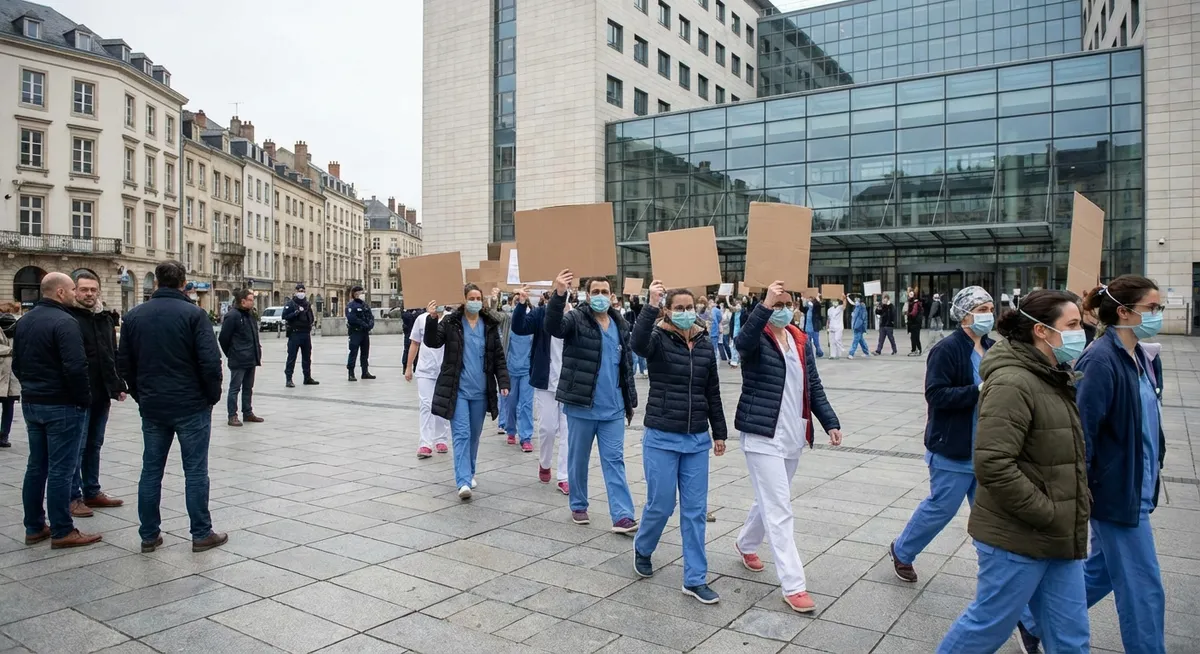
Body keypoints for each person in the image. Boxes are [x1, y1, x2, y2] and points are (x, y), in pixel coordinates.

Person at [1019, 275, 1167, 654]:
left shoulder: (1144, 357)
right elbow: (1081, 433)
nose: (1158, 314)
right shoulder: (1101, 359)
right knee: (1144, 589)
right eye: (1152, 308)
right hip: (1116, 494)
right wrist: (1079, 492)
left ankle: (1033, 621)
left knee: (1102, 571)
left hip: (1137, 485)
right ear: (1124, 311)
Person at [936, 290, 1090, 653]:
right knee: (988, 627)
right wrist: (1048, 512)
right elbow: (993, 463)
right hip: (1019, 535)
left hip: (1059, 533)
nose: (1080, 333)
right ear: (1041, 330)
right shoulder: (1013, 381)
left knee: (1072, 636)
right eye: (1071, 325)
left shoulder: (1054, 375)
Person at [733, 281, 843, 613]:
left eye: (786, 304)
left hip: (793, 433)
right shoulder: (757, 337)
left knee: (768, 499)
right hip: (761, 435)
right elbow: (742, 342)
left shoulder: (799, 339)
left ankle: (746, 543)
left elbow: (813, 385)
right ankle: (794, 585)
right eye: (776, 304)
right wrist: (765, 303)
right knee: (780, 508)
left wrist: (830, 421)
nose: (782, 310)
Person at [118, 260, 227, 554]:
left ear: (156, 282)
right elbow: (210, 362)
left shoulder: (134, 316)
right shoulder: (194, 314)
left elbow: (124, 363)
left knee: (151, 471)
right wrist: (211, 396)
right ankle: (201, 533)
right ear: (183, 283)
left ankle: (149, 535)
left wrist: (141, 395)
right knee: (195, 471)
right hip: (191, 404)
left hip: (154, 405)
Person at [630, 281, 727, 604]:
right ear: (668, 311)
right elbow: (637, 344)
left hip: (696, 439)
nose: (686, 313)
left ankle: (695, 579)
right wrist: (650, 305)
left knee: (695, 511)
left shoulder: (704, 344)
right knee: (661, 504)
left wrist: (719, 432)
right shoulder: (657, 339)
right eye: (679, 308)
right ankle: (644, 547)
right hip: (661, 436)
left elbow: (712, 390)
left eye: (689, 307)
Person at [890, 287, 995, 582]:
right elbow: (935, 394)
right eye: (982, 310)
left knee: (989, 515)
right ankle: (902, 550)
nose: (989, 315)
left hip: (987, 448)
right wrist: (977, 391)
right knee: (942, 508)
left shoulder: (993, 347)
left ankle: (994, 569)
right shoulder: (947, 349)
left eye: (990, 309)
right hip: (954, 447)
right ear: (964, 314)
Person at [545, 270, 638, 532]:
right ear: (587, 295)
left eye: (604, 292)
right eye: (595, 292)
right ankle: (578, 505)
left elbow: (625, 364)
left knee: (615, 460)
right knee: (578, 460)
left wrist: (629, 399)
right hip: (581, 406)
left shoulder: (620, 324)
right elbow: (553, 327)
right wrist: (559, 294)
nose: (600, 296)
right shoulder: (576, 319)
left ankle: (622, 515)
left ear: (612, 296)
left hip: (613, 409)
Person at [13, 272, 98, 549]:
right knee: (62, 469)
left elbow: (17, 364)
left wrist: (32, 387)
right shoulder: (65, 321)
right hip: (62, 404)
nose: (75, 294)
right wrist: (83, 399)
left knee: (36, 467)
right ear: (60, 292)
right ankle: (62, 530)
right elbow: (76, 366)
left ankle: (34, 526)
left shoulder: (25, 321)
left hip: (32, 402)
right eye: (73, 289)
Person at [423, 284, 510, 500]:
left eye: (478, 298)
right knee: (461, 434)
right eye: (471, 298)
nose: (475, 302)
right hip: (458, 390)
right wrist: (432, 319)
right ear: (464, 300)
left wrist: (503, 381)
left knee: (474, 435)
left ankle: (469, 472)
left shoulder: (489, 325)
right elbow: (432, 342)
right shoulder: (451, 322)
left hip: (481, 391)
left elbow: (498, 356)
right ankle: (462, 481)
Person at [67, 271, 128, 517]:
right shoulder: (68, 317)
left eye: (93, 289)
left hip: (101, 392)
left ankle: (92, 490)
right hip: (78, 394)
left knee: (94, 444)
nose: (89, 294)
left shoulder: (104, 318)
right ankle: (73, 497)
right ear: (74, 291)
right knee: (77, 447)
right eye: (84, 289)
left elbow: (111, 354)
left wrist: (117, 384)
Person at [512, 290, 571, 493]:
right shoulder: (541, 314)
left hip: (569, 383)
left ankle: (564, 475)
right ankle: (545, 463)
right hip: (545, 380)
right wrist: (521, 304)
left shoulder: (576, 315)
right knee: (547, 428)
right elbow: (519, 327)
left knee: (568, 431)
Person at [406, 303, 450, 459]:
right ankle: (425, 443)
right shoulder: (421, 319)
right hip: (425, 369)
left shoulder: (451, 319)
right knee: (426, 404)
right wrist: (408, 366)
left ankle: (441, 439)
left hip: (445, 369)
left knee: (442, 404)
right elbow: (415, 343)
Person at [218, 288, 264, 427]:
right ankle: (232, 415)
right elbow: (223, 338)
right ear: (242, 301)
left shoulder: (250, 315)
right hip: (238, 358)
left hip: (251, 357)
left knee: (248, 388)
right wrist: (232, 353)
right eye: (250, 300)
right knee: (235, 388)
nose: (252, 302)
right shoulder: (232, 316)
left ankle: (247, 412)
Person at [503, 292, 535, 452]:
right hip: (511, 369)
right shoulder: (509, 322)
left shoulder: (531, 324)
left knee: (526, 404)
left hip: (527, 370)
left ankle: (526, 437)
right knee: (511, 402)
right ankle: (511, 430)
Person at [282, 283, 318, 388]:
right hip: (295, 333)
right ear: (295, 291)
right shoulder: (291, 304)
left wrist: (310, 322)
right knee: (292, 357)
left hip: (306, 333)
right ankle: (289, 379)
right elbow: (284, 316)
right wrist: (295, 313)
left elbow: (311, 316)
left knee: (307, 357)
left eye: (302, 291)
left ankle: (307, 377)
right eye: (299, 291)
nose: (301, 293)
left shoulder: (307, 304)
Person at [0, 302, 21, 448]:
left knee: (9, 406)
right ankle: (4, 436)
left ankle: (3, 435)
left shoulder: (17, 328)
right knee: (9, 407)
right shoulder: (18, 327)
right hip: (11, 375)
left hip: (8, 375)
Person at [345, 285, 376, 381]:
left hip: (364, 333)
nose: (363, 294)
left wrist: (370, 325)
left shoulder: (365, 305)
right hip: (355, 332)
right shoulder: (351, 305)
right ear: (355, 294)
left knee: (365, 353)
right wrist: (364, 324)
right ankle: (351, 373)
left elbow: (370, 316)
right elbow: (352, 318)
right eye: (361, 292)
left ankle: (365, 372)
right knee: (353, 352)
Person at [800, 293, 825, 358]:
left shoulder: (815, 310)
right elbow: (801, 308)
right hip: (807, 328)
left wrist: (817, 298)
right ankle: (810, 354)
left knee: (816, 342)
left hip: (814, 328)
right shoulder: (807, 309)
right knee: (808, 342)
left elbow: (817, 306)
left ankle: (819, 352)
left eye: (811, 299)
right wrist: (801, 299)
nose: (809, 300)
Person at [906, 290, 924, 356]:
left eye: (911, 294)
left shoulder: (915, 303)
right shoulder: (911, 302)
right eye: (909, 294)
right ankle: (915, 350)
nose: (910, 295)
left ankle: (917, 350)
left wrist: (908, 314)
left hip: (915, 322)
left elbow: (914, 313)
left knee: (915, 337)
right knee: (913, 337)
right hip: (913, 322)